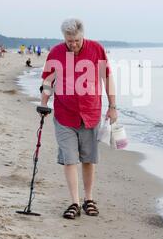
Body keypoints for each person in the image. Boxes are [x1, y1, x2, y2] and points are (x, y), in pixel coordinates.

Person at [41, 18, 117, 220]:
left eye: (76, 40)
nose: (72, 44)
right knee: (69, 159)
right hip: (65, 114)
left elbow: (107, 78)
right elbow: (48, 79)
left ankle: (88, 199)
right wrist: (44, 103)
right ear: (63, 38)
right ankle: (74, 202)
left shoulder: (96, 50)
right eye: (69, 41)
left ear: (82, 35)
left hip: (91, 113)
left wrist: (113, 106)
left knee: (88, 159)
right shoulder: (56, 52)